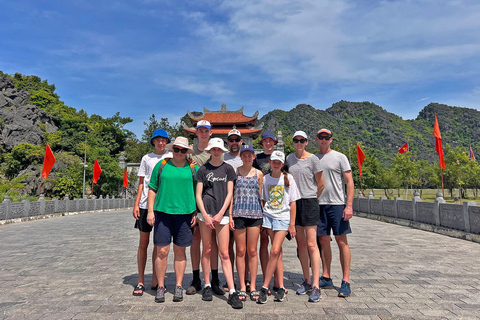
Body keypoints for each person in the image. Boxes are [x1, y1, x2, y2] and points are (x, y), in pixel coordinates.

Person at [146, 136, 198, 303]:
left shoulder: (192, 167)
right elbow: (152, 188)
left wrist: (195, 212)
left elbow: (198, 191)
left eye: (183, 150)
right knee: (162, 251)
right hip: (163, 212)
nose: (179, 153)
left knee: (180, 251)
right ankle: (161, 286)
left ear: (187, 152)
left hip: (185, 214)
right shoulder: (162, 166)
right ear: (172, 149)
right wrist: (150, 211)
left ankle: (178, 285)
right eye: (177, 149)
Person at [196, 138, 243, 309]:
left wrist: (222, 213)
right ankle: (207, 284)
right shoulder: (203, 169)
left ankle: (232, 290)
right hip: (205, 214)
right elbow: (198, 195)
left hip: (221, 215)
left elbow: (230, 193)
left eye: (219, 150)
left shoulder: (228, 169)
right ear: (210, 151)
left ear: (223, 151)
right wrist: (206, 216)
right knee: (207, 250)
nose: (216, 152)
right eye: (213, 149)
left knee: (224, 253)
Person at [132, 129, 172, 296]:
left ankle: (156, 279)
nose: (161, 143)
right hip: (144, 204)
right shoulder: (146, 158)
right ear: (153, 142)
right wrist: (136, 204)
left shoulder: (170, 157)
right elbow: (142, 182)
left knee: (159, 243)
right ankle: (141, 280)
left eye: (164, 140)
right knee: (144, 243)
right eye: (158, 140)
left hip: (161, 203)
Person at [286, 130, 325, 303]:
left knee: (311, 244)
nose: (299, 143)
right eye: (296, 140)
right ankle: (307, 280)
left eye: (302, 140)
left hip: (309, 202)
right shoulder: (289, 159)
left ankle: (316, 284)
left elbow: (321, 184)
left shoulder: (313, 159)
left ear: (307, 142)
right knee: (300, 244)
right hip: (295, 203)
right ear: (293, 142)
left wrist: (312, 198)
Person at [315, 128, 354, 298]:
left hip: (337, 204)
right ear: (316, 139)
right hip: (319, 205)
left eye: (327, 137)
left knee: (341, 241)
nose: (323, 140)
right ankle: (326, 276)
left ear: (331, 139)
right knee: (323, 241)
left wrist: (349, 205)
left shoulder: (340, 157)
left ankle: (346, 280)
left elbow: (349, 182)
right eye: (321, 137)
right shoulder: (313, 158)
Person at [186, 120, 223, 296]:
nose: (203, 133)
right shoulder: (188, 153)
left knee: (211, 243)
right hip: (192, 202)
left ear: (210, 132)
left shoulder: (216, 152)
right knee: (195, 240)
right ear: (196, 133)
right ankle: (196, 278)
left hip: (212, 203)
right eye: (200, 130)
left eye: (206, 131)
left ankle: (214, 279)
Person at [257, 150, 300, 304]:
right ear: (270, 162)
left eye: (278, 162)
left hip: (283, 218)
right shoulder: (266, 179)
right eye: (273, 161)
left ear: (282, 164)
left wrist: (292, 224)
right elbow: (263, 200)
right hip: (269, 217)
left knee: (274, 250)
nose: (276, 164)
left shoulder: (288, 178)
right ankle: (280, 287)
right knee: (278, 253)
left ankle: (264, 286)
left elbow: (293, 202)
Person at [229, 145, 263, 301]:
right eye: (245, 155)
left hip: (255, 214)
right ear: (241, 157)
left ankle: (253, 285)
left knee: (252, 251)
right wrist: (230, 215)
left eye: (250, 155)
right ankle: (242, 285)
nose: (247, 158)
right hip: (238, 214)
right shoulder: (235, 172)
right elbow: (231, 195)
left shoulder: (259, 174)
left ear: (254, 157)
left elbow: (261, 196)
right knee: (240, 251)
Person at [252, 130, 282, 295]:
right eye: (266, 141)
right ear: (262, 143)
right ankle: (266, 279)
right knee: (264, 243)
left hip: (278, 207)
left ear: (275, 143)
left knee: (277, 247)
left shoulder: (280, 158)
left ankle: (278, 281)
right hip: (263, 205)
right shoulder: (257, 160)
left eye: (271, 141)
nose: (268, 143)